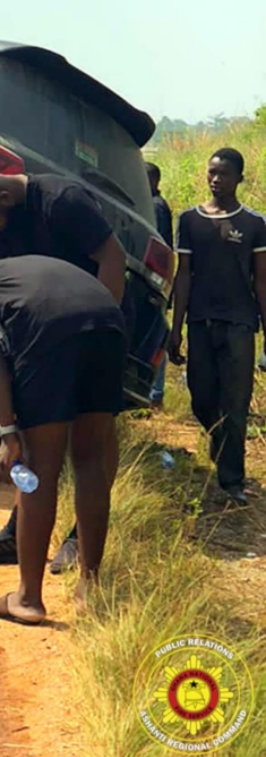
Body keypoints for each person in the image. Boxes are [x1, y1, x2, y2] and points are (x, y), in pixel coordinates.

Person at [0, 255, 125, 624]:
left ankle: (27, 599)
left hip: (53, 326)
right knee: (90, 460)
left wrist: (8, 434)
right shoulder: (10, 277)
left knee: (39, 467)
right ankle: (90, 588)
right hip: (109, 321)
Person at [0, 171, 127, 573]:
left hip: (97, 324)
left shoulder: (62, 199)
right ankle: (19, 532)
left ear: (4, 196)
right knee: (35, 438)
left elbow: (112, 257)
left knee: (93, 441)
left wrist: (104, 327)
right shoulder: (7, 223)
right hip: (45, 334)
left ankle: (79, 541)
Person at [169, 148, 266, 507]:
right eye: (211, 172)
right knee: (202, 394)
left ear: (239, 178)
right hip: (200, 323)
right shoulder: (190, 220)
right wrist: (176, 327)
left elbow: (262, 281)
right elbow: (183, 277)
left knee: (236, 402)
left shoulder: (255, 224)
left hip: (240, 324)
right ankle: (219, 437)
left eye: (224, 174)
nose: (215, 179)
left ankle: (232, 480)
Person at [145, 162, 173, 407]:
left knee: (156, 333)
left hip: (154, 278)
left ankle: (156, 393)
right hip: (158, 278)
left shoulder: (155, 207)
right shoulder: (158, 205)